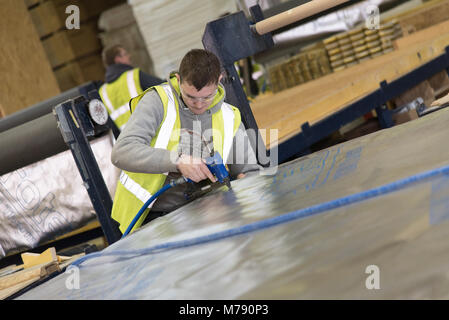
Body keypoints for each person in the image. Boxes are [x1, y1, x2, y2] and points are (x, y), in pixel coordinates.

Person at [110, 49, 260, 234]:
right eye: (191, 97)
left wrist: (242, 187)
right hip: (150, 217)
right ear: (179, 80)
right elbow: (121, 152)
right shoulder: (159, 101)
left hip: (208, 214)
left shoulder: (229, 116)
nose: (198, 104)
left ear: (219, 80)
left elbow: (248, 171)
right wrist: (178, 161)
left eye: (207, 97)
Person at [99, 45, 164, 131]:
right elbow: (163, 87)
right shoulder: (134, 75)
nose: (129, 56)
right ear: (118, 59)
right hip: (153, 129)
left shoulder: (103, 92)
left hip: (131, 138)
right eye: (125, 54)